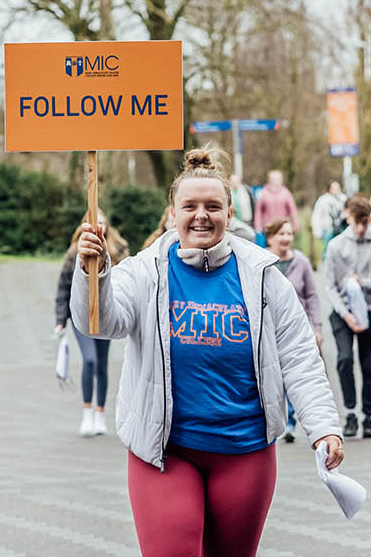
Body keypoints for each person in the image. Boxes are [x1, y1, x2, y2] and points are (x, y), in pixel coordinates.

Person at [67, 147, 342, 557]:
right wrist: (95, 273)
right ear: (172, 213)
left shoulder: (263, 275)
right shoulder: (145, 270)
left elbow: (299, 355)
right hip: (164, 452)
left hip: (245, 453)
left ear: (230, 215)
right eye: (190, 206)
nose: (201, 215)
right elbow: (102, 324)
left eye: (213, 206)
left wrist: (323, 427)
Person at [323, 196, 371, 439]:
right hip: (343, 311)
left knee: (369, 364)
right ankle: (350, 412)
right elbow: (329, 285)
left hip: (370, 309)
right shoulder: (335, 246)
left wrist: (366, 283)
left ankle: (368, 415)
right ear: (348, 218)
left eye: (365, 222)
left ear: (370, 219)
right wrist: (345, 314)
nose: (361, 229)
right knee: (344, 359)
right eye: (356, 223)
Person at [56, 209, 129, 437]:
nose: (100, 227)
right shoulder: (75, 252)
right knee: (89, 361)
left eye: (103, 223)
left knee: (102, 364)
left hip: (105, 314)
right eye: (95, 223)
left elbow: (127, 282)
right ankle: (87, 412)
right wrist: (60, 320)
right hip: (81, 316)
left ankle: (100, 413)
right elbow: (63, 287)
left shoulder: (118, 249)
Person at [266, 218, 323, 443]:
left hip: (294, 328)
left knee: (293, 371)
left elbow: (311, 295)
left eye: (289, 234)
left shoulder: (301, 262)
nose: (286, 238)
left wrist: (316, 327)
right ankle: (280, 416)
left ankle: (291, 420)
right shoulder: (261, 261)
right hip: (267, 328)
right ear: (270, 238)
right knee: (274, 375)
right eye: (281, 234)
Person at [254, 170, 299, 236]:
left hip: (282, 227)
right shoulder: (263, 192)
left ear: (281, 180)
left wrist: (295, 225)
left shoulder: (286, 193)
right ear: (269, 180)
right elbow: (258, 211)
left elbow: (292, 210)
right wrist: (258, 226)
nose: (276, 181)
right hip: (267, 228)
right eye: (273, 179)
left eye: (278, 179)